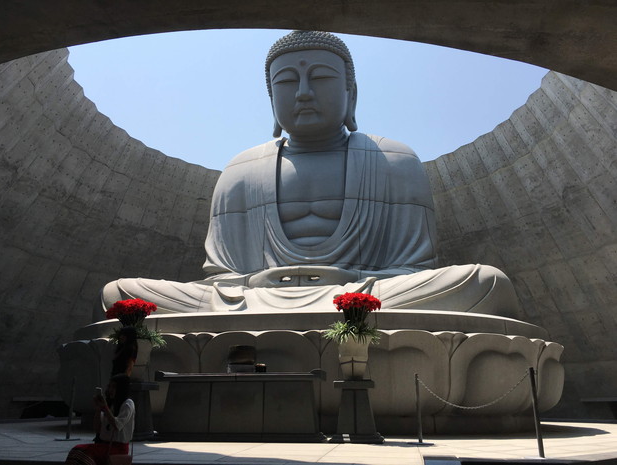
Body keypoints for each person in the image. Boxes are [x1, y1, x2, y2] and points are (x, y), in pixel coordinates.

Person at [98, 30, 521, 318]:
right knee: (121, 292)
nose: (303, 92)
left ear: (350, 93)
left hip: (369, 297)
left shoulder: (395, 159)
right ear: (271, 100)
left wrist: (352, 284)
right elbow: (222, 278)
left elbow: (409, 268)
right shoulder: (240, 170)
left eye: (319, 77)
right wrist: (258, 282)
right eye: (286, 82)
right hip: (253, 300)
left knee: (484, 282)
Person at [65, 374, 134, 465]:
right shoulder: (111, 405)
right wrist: (98, 409)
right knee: (76, 451)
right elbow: (97, 429)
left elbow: (118, 425)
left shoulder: (128, 404)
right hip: (104, 445)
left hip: (118, 448)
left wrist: (105, 408)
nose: (111, 390)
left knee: (81, 452)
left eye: (114, 387)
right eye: (110, 386)